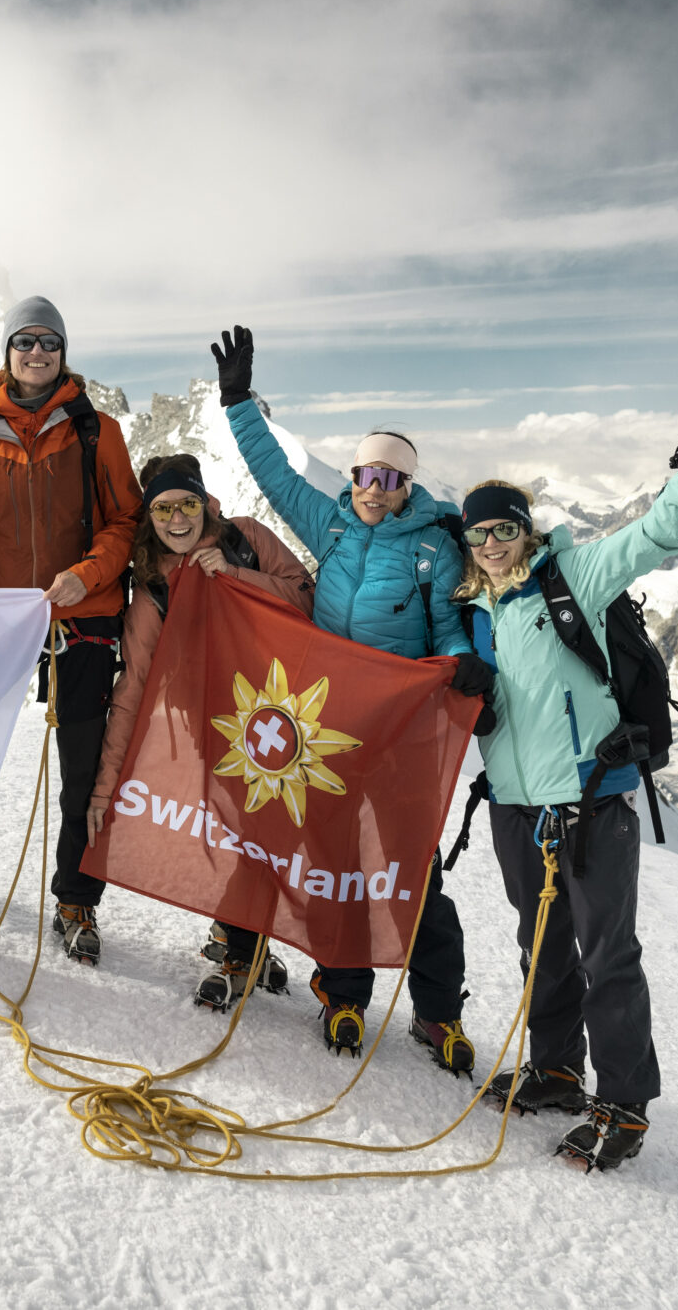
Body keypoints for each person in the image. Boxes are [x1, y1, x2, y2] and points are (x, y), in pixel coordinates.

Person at [460, 354, 678, 1173]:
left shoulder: (575, 577)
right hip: (515, 808)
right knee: (542, 947)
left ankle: (623, 1105)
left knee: (608, 957)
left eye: (503, 528)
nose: (491, 543)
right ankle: (558, 1072)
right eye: (478, 533)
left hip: (591, 804)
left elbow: (660, 531)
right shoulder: (474, 612)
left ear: (526, 529)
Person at [213, 325, 492, 1064]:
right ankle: (342, 992)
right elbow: (274, 475)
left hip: (399, 733)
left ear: (408, 487)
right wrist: (239, 401)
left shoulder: (434, 544)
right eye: (365, 475)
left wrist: (463, 662)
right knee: (335, 861)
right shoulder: (330, 522)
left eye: (390, 480)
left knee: (411, 870)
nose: (375, 491)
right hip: (327, 728)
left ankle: (436, 1009)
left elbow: (449, 626)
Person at [0, 296, 141, 966]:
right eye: (24, 341)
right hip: (2, 620)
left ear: (63, 353)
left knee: (83, 770)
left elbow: (126, 522)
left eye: (48, 342)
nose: (36, 352)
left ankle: (76, 897)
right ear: (7, 352)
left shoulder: (98, 431)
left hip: (82, 618)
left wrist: (84, 577)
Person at [86, 455, 317, 1009]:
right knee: (243, 827)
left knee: (269, 830)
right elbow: (134, 688)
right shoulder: (153, 587)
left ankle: (241, 944)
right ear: (150, 516)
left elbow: (307, 599)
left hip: (275, 711)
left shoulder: (247, 539)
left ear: (203, 503)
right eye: (163, 508)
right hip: (208, 724)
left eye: (187, 504)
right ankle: (242, 941)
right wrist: (105, 787)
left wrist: (236, 577)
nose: (178, 518)